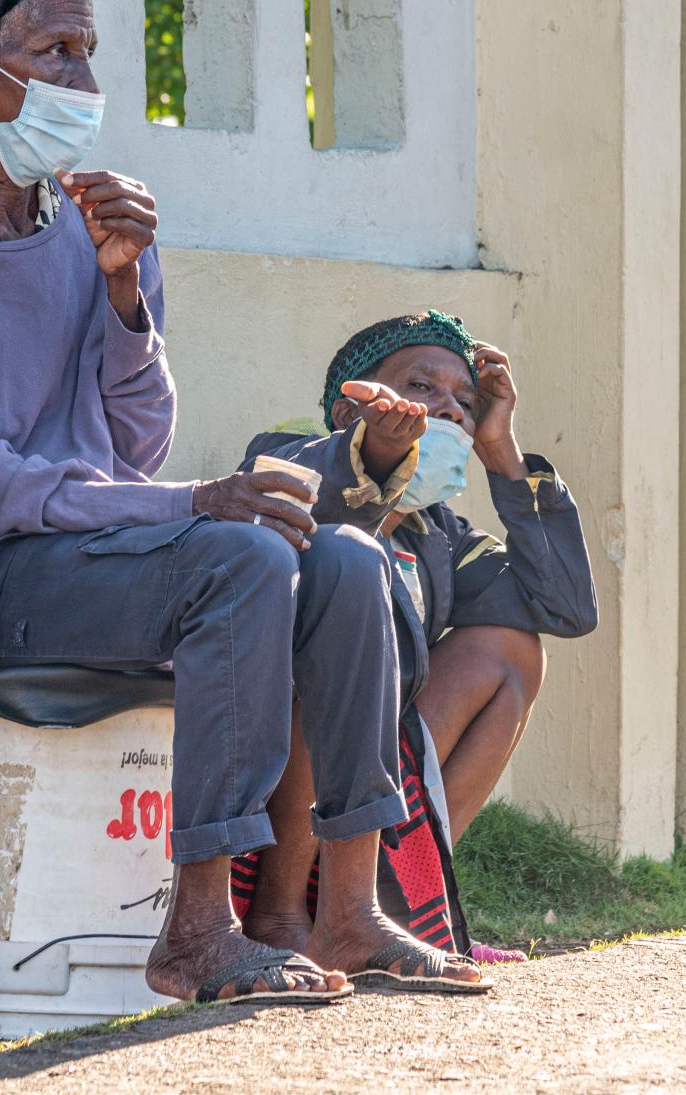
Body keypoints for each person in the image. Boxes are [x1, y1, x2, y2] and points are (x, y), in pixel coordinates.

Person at [0, 0, 487, 1003]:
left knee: (342, 564)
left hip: (96, 556)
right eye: (56, 54)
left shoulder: (88, 225)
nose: (85, 83)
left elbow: (127, 442)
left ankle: (339, 913)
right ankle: (196, 928)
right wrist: (199, 501)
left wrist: (128, 295)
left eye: (89, 54)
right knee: (239, 556)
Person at [236, 313, 598, 962]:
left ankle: (400, 903)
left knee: (514, 651)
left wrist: (501, 451)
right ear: (353, 406)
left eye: (464, 401)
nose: (449, 412)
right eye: (423, 386)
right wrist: (374, 470)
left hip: (377, 775)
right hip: (284, 765)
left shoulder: (438, 536)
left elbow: (565, 606)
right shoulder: (291, 460)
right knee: (325, 656)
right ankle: (281, 913)